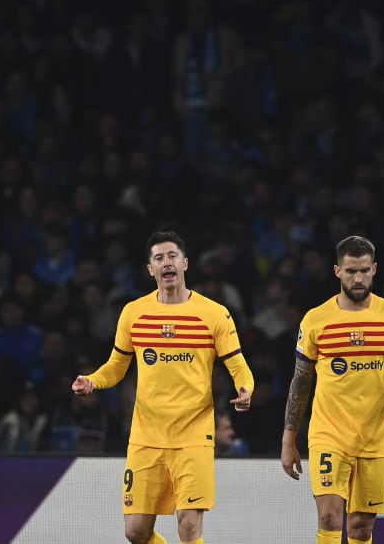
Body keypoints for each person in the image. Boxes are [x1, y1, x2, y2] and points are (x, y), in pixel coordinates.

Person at [72, 230, 255, 544]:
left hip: (194, 435)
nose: (166, 262)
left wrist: (245, 388)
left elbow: (237, 364)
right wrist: (93, 380)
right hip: (146, 437)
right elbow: (117, 366)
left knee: (188, 528)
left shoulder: (213, 314)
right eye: (159, 258)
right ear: (150, 269)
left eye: (172, 256)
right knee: (135, 532)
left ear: (185, 263)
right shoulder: (134, 313)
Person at [281, 235, 384, 544]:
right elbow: (300, 381)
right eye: (351, 271)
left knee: (361, 527)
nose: (358, 278)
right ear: (338, 271)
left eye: (364, 270)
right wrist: (289, 438)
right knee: (330, 516)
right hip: (329, 434)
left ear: (374, 269)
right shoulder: (316, 319)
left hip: (375, 436)